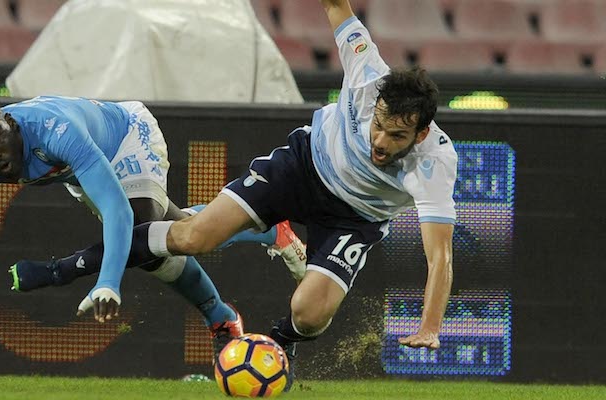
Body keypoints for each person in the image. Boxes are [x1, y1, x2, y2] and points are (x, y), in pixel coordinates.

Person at [31, 0, 457, 389]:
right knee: (192, 237)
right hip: (302, 168)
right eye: (377, 125)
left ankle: (278, 342)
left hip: (354, 217)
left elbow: (439, 256)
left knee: (310, 314)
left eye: (396, 135)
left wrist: (431, 325)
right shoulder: (367, 72)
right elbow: (335, 5)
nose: (379, 141)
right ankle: (73, 266)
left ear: (421, 133)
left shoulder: (434, 164)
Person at [0, 96, 307, 357]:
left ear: (11, 125)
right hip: (84, 174)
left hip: (126, 137)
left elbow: (119, 212)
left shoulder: (55, 131)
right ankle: (266, 234)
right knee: (165, 241)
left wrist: (107, 282)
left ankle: (218, 317)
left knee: (142, 233)